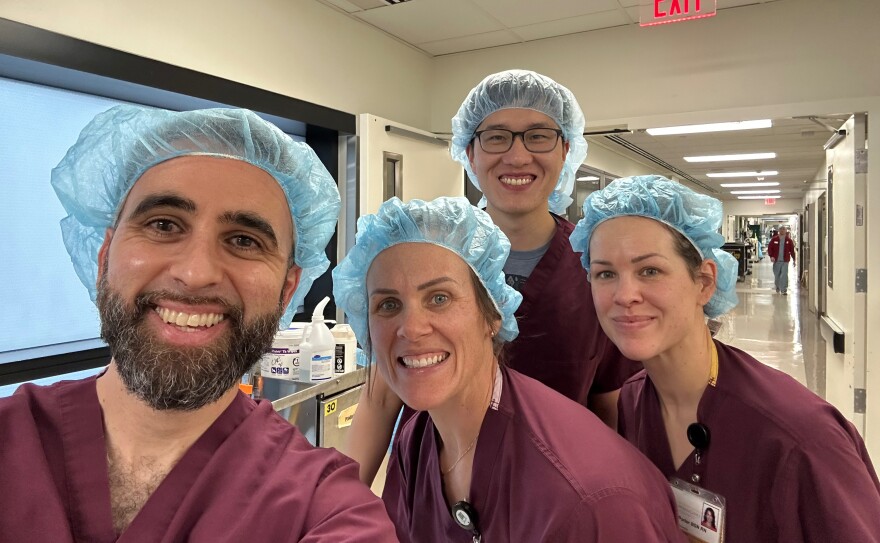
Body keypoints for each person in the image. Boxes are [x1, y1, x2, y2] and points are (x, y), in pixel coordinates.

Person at [0, 106, 397, 541]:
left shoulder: (324, 512)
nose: (195, 272)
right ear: (103, 259)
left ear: (287, 291)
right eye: (164, 224)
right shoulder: (12, 438)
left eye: (244, 241)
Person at [343, 69, 639, 486]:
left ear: (566, 149)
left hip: (553, 492)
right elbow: (380, 396)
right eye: (496, 136)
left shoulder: (595, 266)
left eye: (538, 135)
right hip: (430, 490)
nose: (517, 157)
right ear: (470, 154)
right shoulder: (424, 250)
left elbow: (608, 402)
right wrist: (339, 505)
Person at [332, 196, 685, 542]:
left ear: (493, 316)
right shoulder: (418, 444)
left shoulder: (589, 501)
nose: (411, 328)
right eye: (388, 304)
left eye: (439, 298)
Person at [570, 175, 880, 542]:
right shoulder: (634, 402)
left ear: (704, 282)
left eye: (649, 270)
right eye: (605, 273)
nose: (625, 295)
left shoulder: (801, 439)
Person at [767, 225, 795, 294]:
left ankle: (784, 289)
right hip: (776, 260)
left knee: (784, 274)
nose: (782, 230)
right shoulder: (774, 239)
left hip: (785, 260)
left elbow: (792, 250)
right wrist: (771, 256)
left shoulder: (789, 240)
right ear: (779, 231)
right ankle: (778, 286)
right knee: (777, 275)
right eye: (781, 229)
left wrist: (794, 259)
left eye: (784, 229)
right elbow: (770, 248)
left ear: (786, 231)